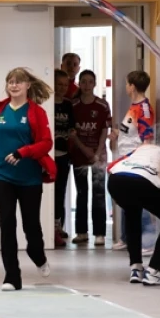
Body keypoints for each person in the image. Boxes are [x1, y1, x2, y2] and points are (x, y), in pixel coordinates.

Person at [0, 67, 57, 290]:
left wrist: (23, 152)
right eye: (10, 82)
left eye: (18, 82)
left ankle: (38, 256)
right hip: (1, 174)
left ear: (27, 86)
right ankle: (12, 276)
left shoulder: (36, 112)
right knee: (6, 222)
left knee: (31, 226)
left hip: (29, 178)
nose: (13, 85)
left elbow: (46, 143)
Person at [107, 143, 160, 285]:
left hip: (115, 181)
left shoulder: (145, 149)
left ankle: (136, 268)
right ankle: (154, 270)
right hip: (146, 183)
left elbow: (111, 167)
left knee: (132, 212)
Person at [110, 70, 155, 251]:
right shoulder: (133, 107)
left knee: (138, 200)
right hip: (125, 161)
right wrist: (116, 134)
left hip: (135, 163)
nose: (126, 87)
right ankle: (126, 237)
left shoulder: (144, 109)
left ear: (133, 87)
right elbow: (131, 132)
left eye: (127, 84)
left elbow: (147, 138)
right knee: (125, 198)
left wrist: (141, 162)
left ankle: (148, 241)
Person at [69, 70, 111, 246]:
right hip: (79, 154)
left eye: (90, 82)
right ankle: (81, 232)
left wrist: (97, 153)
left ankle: (100, 233)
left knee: (99, 193)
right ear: (79, 84)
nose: (87, 85)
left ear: (95, 84)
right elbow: (72, 132)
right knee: (81, 193)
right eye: (83, 82)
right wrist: (84, 150)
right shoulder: (73, 105)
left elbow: (104, 131)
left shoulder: (102, 105)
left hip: (98, 156)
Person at [52, 70, 74, 246]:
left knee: (60, 191)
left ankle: (58, 226)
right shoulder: (47, 102)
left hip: (63, 154)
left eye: (65, 85)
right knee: (49, 191)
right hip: (48, 155)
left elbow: (72, 128)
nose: (62, 88)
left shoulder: (68, 104)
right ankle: (49, 226)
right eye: (59, 84)